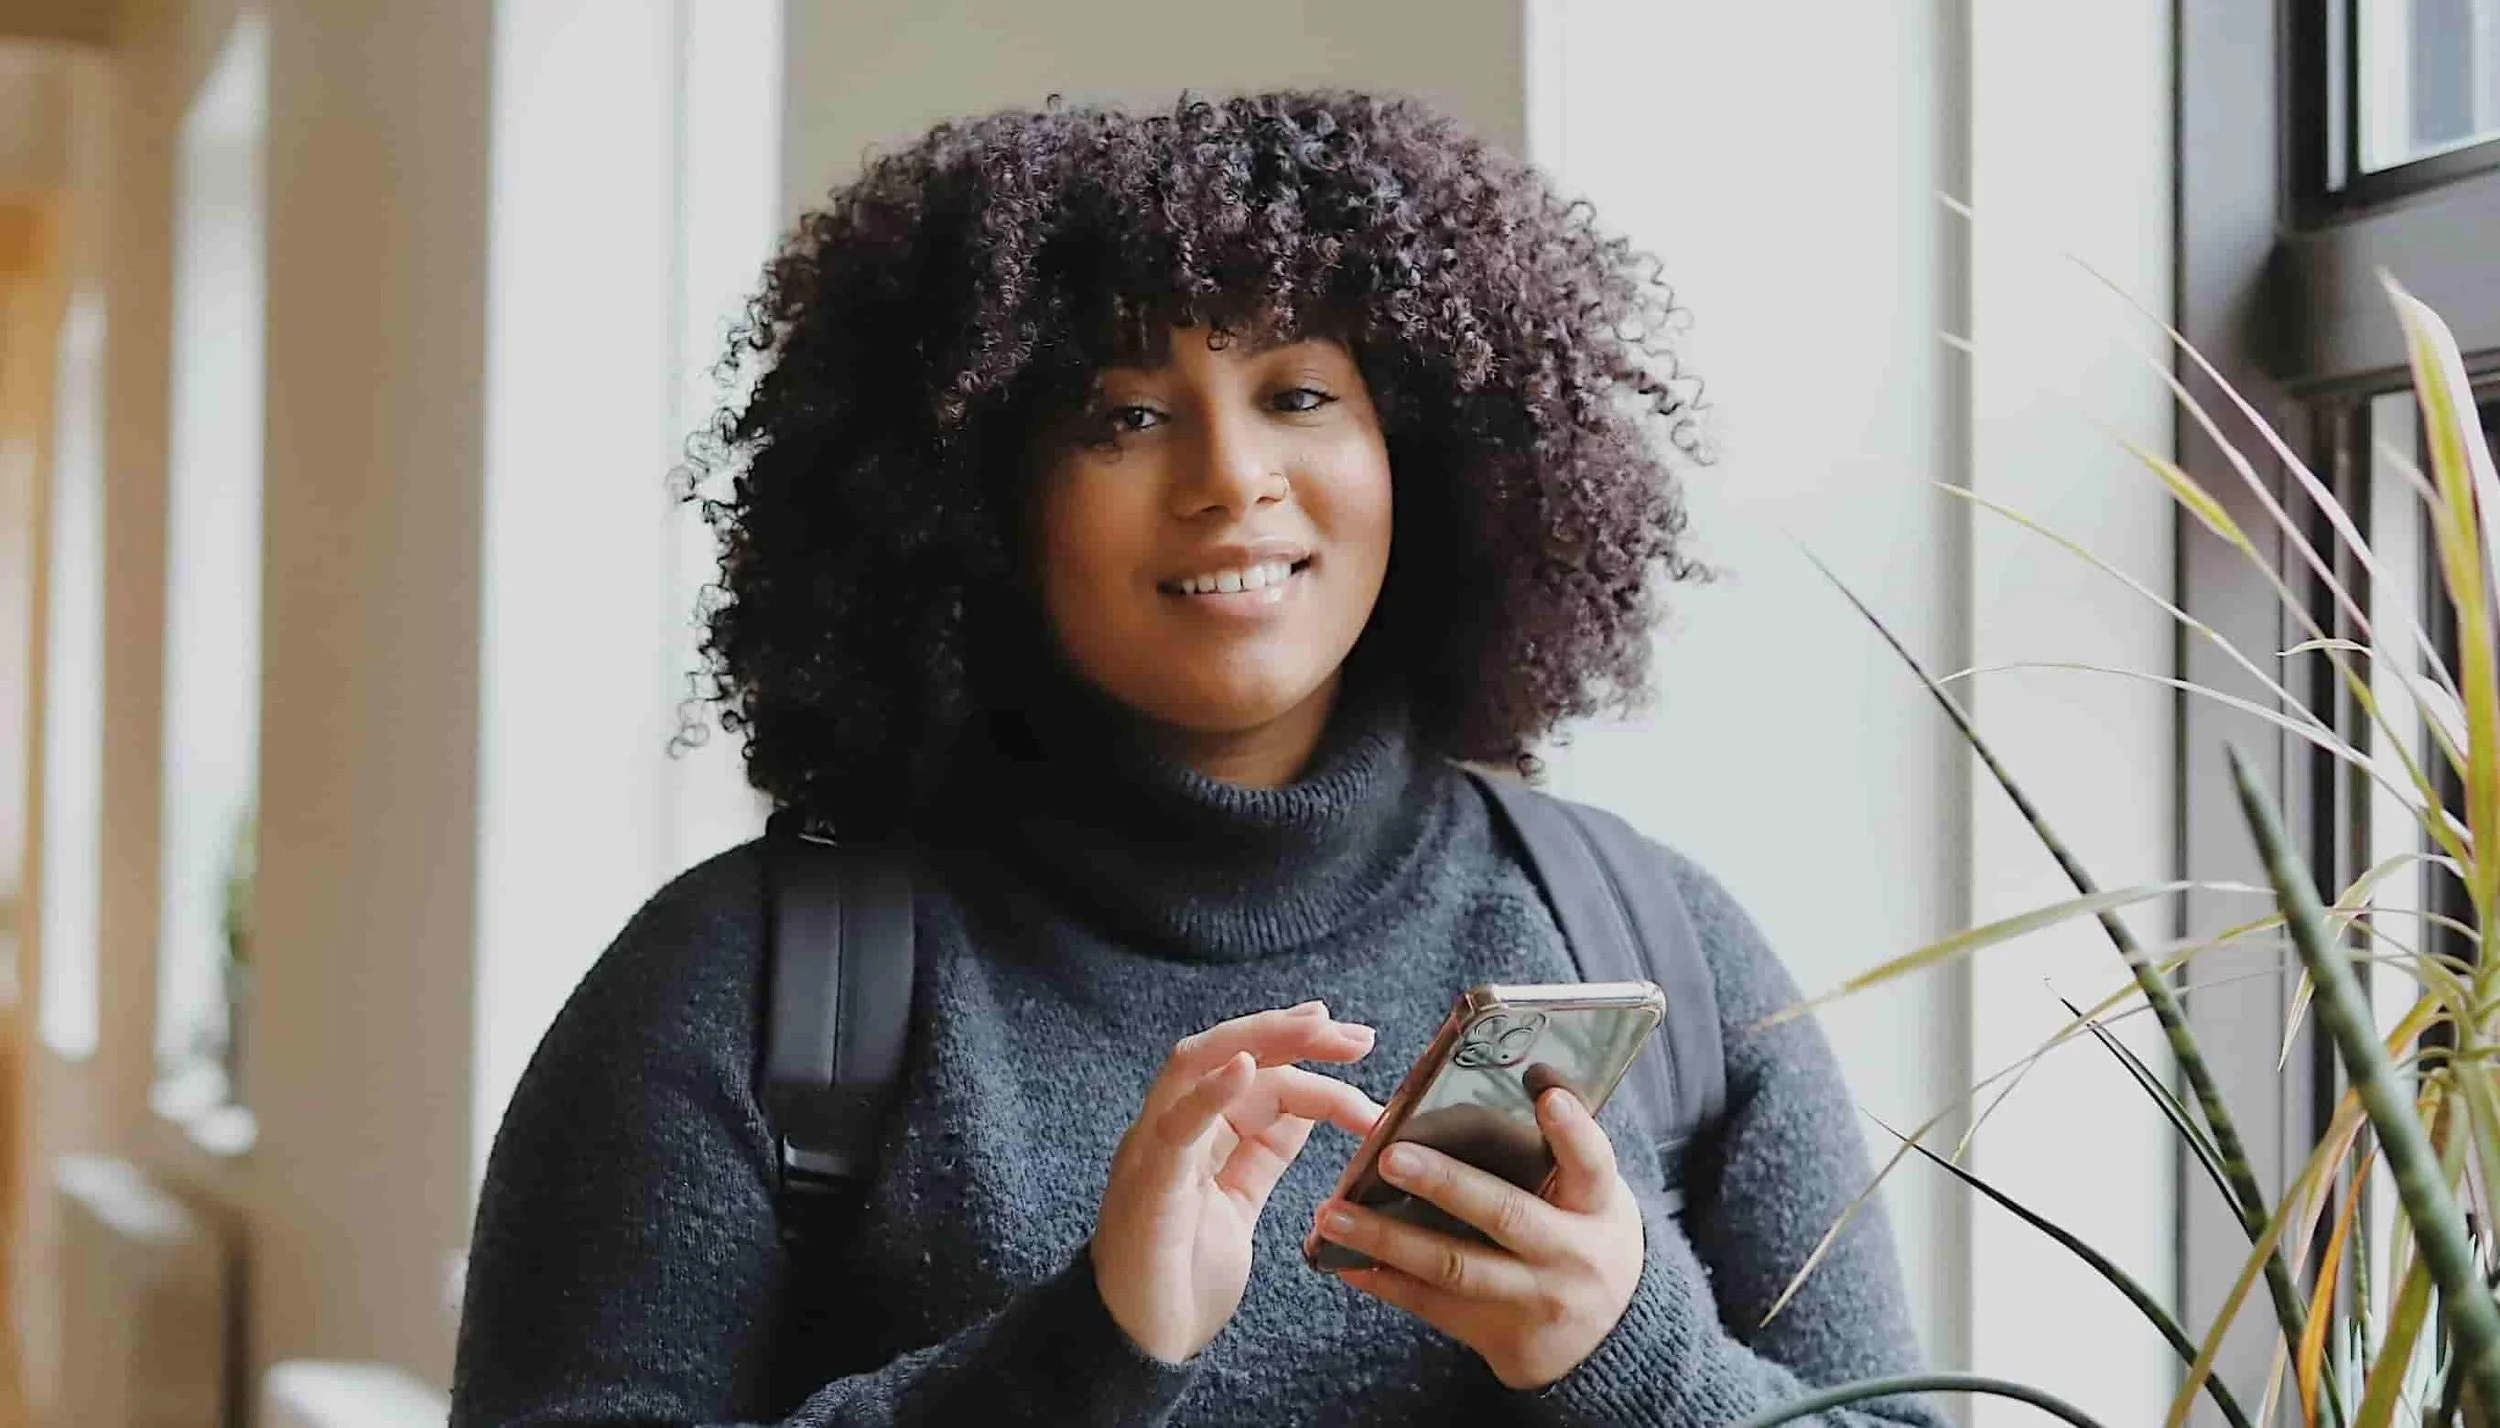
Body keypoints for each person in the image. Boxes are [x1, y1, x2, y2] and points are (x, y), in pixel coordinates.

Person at [448, 90, 1943, 1428]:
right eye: (1127, 417)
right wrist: (1081, 1352)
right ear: (972, 498)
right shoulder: (748, 984)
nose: (1232, 478)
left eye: (1299, 394)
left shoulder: (1660, 941)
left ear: (1417, 455)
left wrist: (1631, 1360)